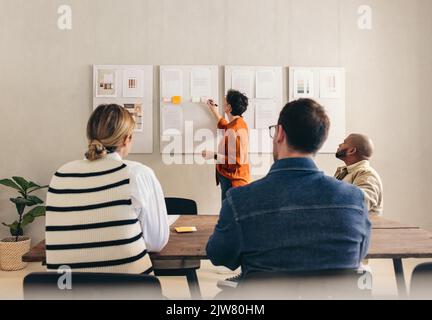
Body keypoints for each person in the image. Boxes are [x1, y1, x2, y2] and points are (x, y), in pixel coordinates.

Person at [206, 98, 371, 290]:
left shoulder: (239, 200)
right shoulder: (355, 200)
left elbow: (218, 255)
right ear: (320, 141)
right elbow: (360, 254)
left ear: (280, 133)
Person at [45, 104, 169, 274]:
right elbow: (156, 242)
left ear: (90, 137)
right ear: (127, 139)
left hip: (65, 290)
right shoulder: (136, 174)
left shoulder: (60, 174)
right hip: (131, 291)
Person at [202, 90, 251, 203]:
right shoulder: (237, 124)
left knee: (229, 216)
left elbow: (235, 161)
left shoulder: (236, 128)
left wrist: (213, 155)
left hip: (233, 182)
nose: (223, 105)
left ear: (229, 107)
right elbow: (225, 126)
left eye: (224, 103)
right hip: (229, 180)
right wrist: (213, 110)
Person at [335, 134, 384, 216]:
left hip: (363, 228)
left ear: (351, 151)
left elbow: (359, 203)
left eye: (344, 143)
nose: (339, 145)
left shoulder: (367, 174)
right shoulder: (345, 172)